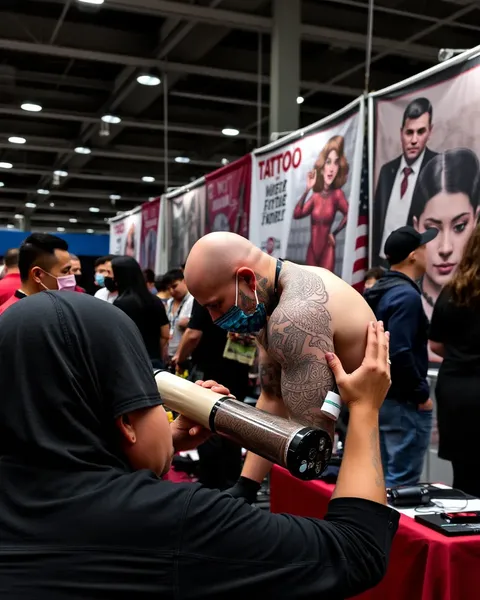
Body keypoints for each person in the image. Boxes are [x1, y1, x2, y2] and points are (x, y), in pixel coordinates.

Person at [0, 291, 398, 598]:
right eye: (155, 400)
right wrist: (365, 409)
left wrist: (153, 446)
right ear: (126, 424)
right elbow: (357, 550)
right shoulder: (175, 521)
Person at [184, 232, 375, 502]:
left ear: (248, 278)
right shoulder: (270, 299)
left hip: (353, 431)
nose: (215, 319)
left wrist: (220, 415)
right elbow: (274, 397)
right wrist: (246, 486)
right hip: (342, 427)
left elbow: (309, 443)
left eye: (216, 305)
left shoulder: (295, 314)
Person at [364, 225, 437, 487]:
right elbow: (400, 351)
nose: (430, 253)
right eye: (425, 247)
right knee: (403, 484)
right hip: (404, 401)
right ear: (413, 255)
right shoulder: (405, 296)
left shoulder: (377, 291)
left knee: (379, 479)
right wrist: (421, 395)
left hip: (381, 397)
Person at [174, 300, 251, 490]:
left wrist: (179, 358)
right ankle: (231, 482)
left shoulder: (204, 295)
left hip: (210, 369)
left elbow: (193, 334)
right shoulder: (243, 297)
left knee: (206, 424)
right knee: (233, 426)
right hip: (237, 367)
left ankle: (212, 484)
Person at [429, 223, 480, 496]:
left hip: (457, 391)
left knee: (465, 478)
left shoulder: (452, 292)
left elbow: (436, 344)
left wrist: (463, 353)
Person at [410, 148, 480, 323]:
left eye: (459, 227)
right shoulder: (403, 301)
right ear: (416, 226)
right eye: (432, 230)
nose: (446, 248)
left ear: (476, 220)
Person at [373, 97, 438, 264]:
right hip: (382, 262)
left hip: (414, 264)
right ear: (401, 133)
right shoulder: (387, 171)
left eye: (421, 131)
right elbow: (377, 223)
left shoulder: (437, 169)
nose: (414, 140)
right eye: (409, 132)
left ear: (430, 132)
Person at [292, 135, 349, 271]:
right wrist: (307, 190)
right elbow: (297, 214)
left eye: (335, 163)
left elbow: (349, 214)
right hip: (312, 250)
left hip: (327, 249)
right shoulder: (315, 197)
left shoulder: (337, 195)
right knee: (309, 288)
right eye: (328, 162)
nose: (331, 168)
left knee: (326, 289)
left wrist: (334, 233)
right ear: (322, 167)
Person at [112, 256, 170, 369]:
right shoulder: (156, 301)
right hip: (154, 361)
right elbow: (165, 334)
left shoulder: (120, 303)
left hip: (130, 363)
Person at [0, 233, 73, 316]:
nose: (71, 276)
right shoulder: (9, 316)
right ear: (37, 274)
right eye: (65, 271)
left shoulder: (53, 308)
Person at [164, 268, 194, 365]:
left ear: (184, 281)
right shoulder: (169, 302)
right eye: (168, 289)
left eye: (174, 286)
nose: (172, 291)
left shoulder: (192, 301)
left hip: (186, 355)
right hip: (169, 353)